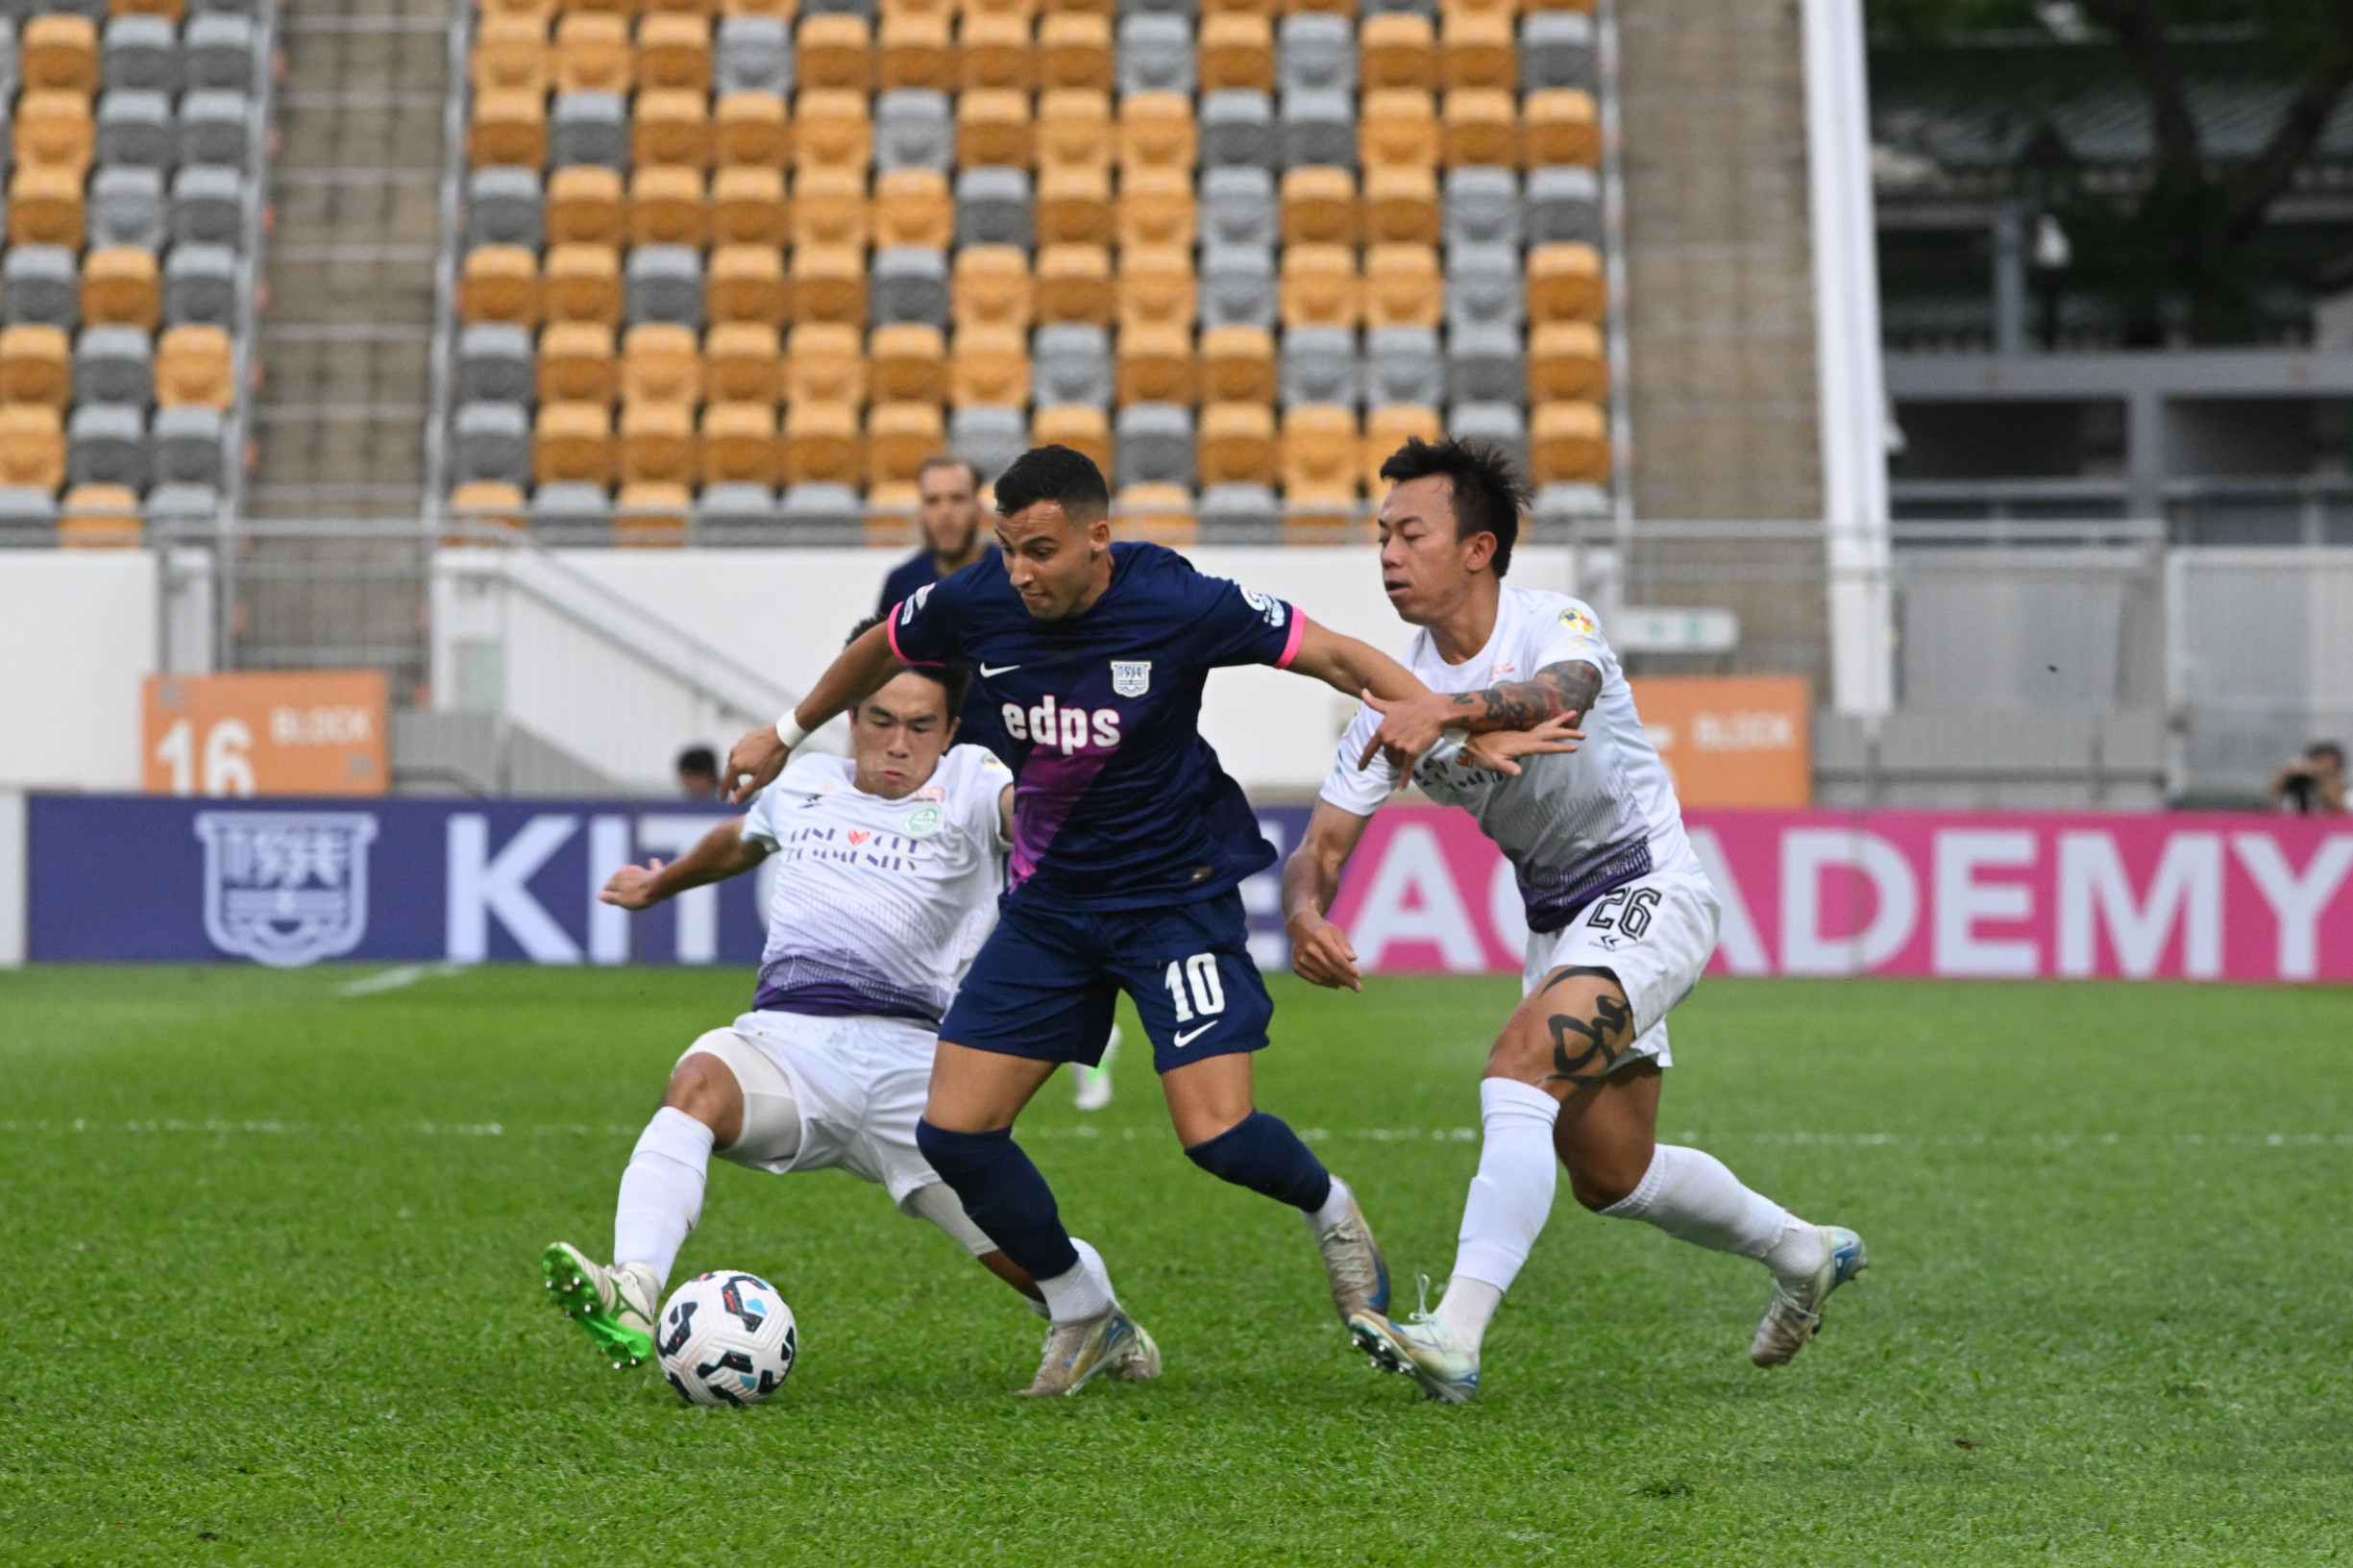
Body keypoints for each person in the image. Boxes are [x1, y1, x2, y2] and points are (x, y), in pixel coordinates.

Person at [726, 446, 1532, 1397]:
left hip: (1172, 900)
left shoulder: (1177, 600)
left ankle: (1330, 1208)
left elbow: (1333, 655)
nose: (1019, 573)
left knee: (1217, 1135)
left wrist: (1447, 716)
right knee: (954, 1133)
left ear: (1096, 540)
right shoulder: (976, 598)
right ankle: (1084, 1313)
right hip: (1051, 909)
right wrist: (786, 734)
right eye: (1007, 549)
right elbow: (881, 647)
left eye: (1040, 551)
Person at [1281, 438, 1868, 1404]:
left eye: (1410, 534)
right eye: (1381, 536)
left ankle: (1455, 1335)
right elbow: (1321, 847)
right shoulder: (1392, 704)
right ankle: (1803, 1251)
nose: (1387, 553)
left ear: (1478, 548)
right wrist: (1306, 912)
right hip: (1560, 925)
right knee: (1611, 1174)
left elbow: (1567, 692)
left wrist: (1449, 712)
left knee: (1516, 1071)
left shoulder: (1551, 621)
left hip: (1649, 888)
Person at [542, 630, 1160, 1390]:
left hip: (919, 1073)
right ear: (849, 717)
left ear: (950, 730)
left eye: (920, 726)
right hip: (788, 1052)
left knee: (1032, 1260)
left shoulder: (973, 782)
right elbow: (740, 841)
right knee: (698, 1081)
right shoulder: (805, 784)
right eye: (879, 720)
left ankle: (1098, 1319)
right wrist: (657, 884)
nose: (898, 743)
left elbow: (1027, 810)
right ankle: (635, 1287)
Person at [876, 456, 1014, 764]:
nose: (946, 513)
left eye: (958, 499)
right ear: (920, 512)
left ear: (980, 509)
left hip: (1003, 758)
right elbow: (877, 671)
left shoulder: (1013, 575)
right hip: (924, 762)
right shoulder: (901, 582)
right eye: (933, 501)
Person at [2270, 742, 2345, 815]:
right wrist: (2287, 777)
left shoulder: (2348, 796)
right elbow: (2271, 808)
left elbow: (2344, 816)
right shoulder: (2295, 796)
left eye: (2327, 773)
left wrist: (2322, 782)